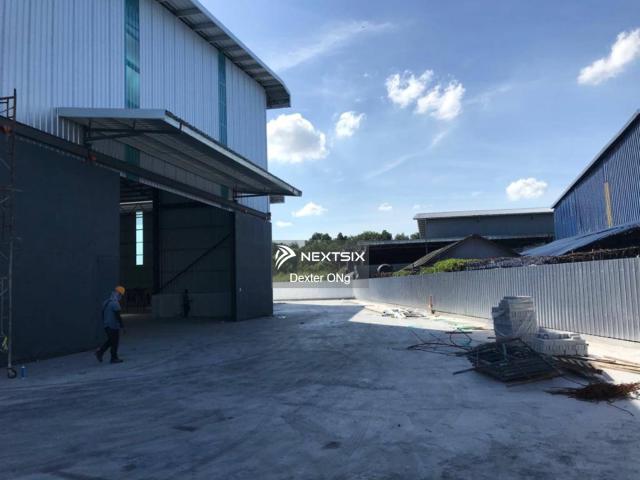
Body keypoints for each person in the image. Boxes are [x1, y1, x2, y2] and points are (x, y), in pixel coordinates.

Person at [95, 286, 126, 364]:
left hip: (107, 325)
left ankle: (100, 352)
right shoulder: (115, 303)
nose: (121, 297)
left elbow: (102, 314)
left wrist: (105, 322)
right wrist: (122, 326)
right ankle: (113, 357)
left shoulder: (105, 302)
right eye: (121, 295)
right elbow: (118, 316)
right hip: (113, 326)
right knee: (114, 342)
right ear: (119, 294)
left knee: (111, 341)